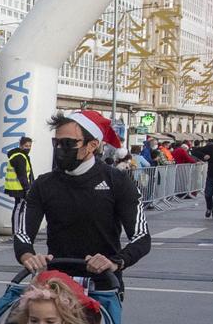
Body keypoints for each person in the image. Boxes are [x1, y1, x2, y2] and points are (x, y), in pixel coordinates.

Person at [15, 110, 151, 276]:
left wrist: (116, 262)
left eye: (68, 143)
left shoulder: (117, 180)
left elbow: (141, 236)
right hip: (58, 283)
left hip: (104, 284)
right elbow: (23, 232)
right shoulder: (43, 184)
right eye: (56, 142)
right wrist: (28, 255)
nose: (59, 149)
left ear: (92, 145)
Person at [1, 137, 34, 212]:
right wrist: (27, 188)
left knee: (20, 208)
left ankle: (18, 224)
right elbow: (22, 175)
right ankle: (16, 224)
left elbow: (27, 173)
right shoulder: (19, 157)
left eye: (30, 146)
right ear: (21, 146)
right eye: (26, 146)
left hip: (19, 187)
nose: (28, 148)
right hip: (19, 188)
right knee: (19, 208)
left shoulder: (21, 156)